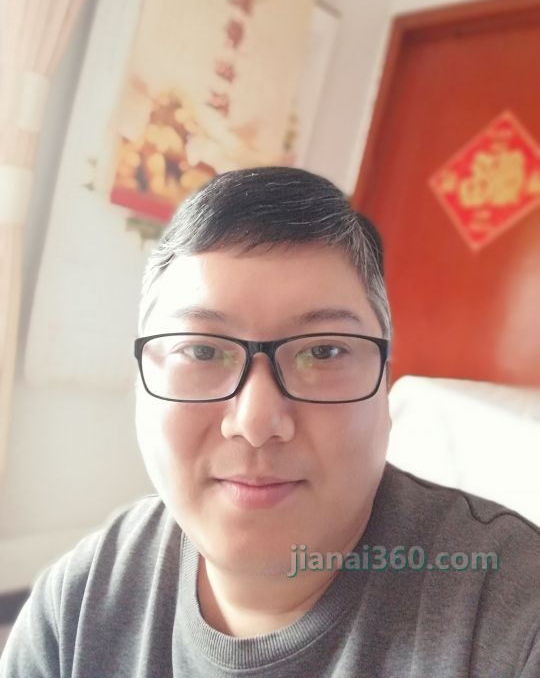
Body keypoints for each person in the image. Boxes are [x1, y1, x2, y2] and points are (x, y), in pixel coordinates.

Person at [1, 166, 538, 678]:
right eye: (202, 351)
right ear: (141, 384)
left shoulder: (513, 616)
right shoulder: (76, 609)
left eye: (323, 352)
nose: (256, 422)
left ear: (385, 387)